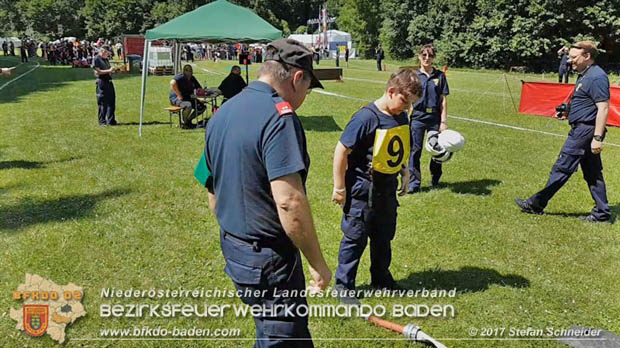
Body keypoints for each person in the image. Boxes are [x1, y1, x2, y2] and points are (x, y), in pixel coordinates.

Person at [205, 38, 331, 348]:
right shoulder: (279, 116)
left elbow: (210, 185)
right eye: (308, 88)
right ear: (298, 77)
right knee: (283, 337)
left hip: (235, 248)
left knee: (271, 330)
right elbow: (289, 201)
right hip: (268, 259)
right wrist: (318, 264)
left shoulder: (224, 111)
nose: (305, 97)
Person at [332, 68, 422, 296]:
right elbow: (341, 151)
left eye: (411, 104)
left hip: (387, 190)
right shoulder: (365, 118)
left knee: (384, 237)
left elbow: (397, 146)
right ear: (391, 91)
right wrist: (339, 187)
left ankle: (382, 279)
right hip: (363, 190)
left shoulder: (400, 116)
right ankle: (344, 287)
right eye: (404, 101)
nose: (407, 108)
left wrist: (404, 171)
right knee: (355, 238)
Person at [516, 41, 612, 223]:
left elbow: (604, 108)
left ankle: (536, 204)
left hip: (584, 132)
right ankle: (602, 213)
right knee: (593, 173)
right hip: (582, 128)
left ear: (587, 57)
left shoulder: (597, 77)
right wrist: (569, 111)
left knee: (562, 167)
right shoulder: (585, 75)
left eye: (574, 57)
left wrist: (597, 138)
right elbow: (586, 102)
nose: (570, 61)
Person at [407, 44, 450, 193]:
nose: (427, 58)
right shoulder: (413, 76)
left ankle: (435, 178)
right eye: (424, 55)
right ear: (419, 56)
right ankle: (414, 183)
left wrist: (443, 122)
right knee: (415, 151)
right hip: (417, 118)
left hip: (434, 118)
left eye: (430, 56)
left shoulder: (440, 76)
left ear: (434, 58)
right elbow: (406, 98)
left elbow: (443, 100)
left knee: (437, 150)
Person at [169, 64, 206, 129]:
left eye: (191, 71)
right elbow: (172, 83)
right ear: (184, 71)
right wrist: (179, 95)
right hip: (177, 99)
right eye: (188, 71)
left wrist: (202, 95)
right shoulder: (180, 77)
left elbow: (199, 88)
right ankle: (184, 122)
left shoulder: (192, 78)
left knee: (202, 107)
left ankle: (188, 121)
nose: (190, 72)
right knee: (188, 105)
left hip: (188, 98)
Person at [93, 46, 118, 126]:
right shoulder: (97, 59)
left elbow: (108, 70)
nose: (108, 54)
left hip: (109, 81)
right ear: (103, 51)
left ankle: (111, 120)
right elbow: (97, 72)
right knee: (103, 102)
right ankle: (102, 121)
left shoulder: (106, 59)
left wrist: (112, 70)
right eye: (107, 52)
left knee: (111, 101)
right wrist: (109, 71)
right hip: (102, 82)